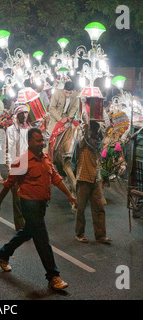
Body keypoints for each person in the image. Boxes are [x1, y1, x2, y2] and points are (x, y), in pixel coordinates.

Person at [0, 127, 77, 291]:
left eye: (42, 141)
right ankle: (53, 276)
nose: (41, 144)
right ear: (29, 141)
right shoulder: (22, 161)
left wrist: (69, 195)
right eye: (38, 141)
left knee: (28, 231)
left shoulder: (46, 158)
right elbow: (8, 184)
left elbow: (55, 177)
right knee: (42, 240)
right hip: (28, 205)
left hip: (42, 205)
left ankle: (2, 254)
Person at [74, 97, 115, 244]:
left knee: (99, 209)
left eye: (97, 132)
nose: (96, 134)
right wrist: (85, 107)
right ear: (89, 132)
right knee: (81, 209)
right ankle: (80, 233)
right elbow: (84, 126)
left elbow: (106, 127)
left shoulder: (97, 144)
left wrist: (101, 108)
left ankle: (101, 235)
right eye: (94, 131)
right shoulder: (83, 141)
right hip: (83, 178)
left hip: (96, 178)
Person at [5, 104, 29, 231]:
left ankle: (29, 224)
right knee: (17, 199)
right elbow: (8, 150)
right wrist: (10, 168)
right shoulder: (11, 130)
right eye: (22, 113)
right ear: (17, 115)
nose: (24, 116)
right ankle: (20, 227)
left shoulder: (29, 128)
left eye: (26, 113)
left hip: (28, 167)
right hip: (16, 167)